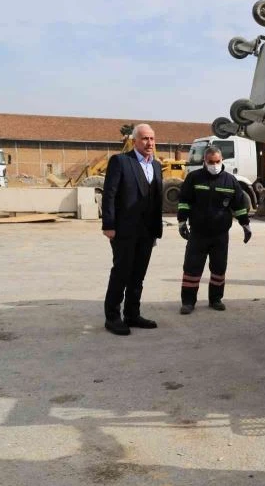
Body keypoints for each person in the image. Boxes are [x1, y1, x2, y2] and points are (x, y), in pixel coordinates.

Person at [102, 123, 163, 336]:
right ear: (135, 141)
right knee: (121, 272)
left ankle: (132, 314)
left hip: (146, 232)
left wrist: (156, 230)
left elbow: (156, 201)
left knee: (138, 275)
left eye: (152, 139)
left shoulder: (155, 166)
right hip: (124, 230)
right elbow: (109, 194)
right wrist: (108, 225)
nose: (149, 143)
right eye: (145, 139)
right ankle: (112, 317)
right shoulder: (121, 162)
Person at [176, 145, 252, 314]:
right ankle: (188, 302)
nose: (215, 165)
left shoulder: (230, 181)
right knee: (192, 268)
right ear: (205, 161)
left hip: (220, 234)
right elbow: (184, 201)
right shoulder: (194, 178)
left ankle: (215, 299)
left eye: (217, 161)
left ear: (222, 160)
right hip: (198, 233)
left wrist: (245, 225)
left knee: (219, 268)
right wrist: (182, 222)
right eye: (211, 162)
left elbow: (239, 205)